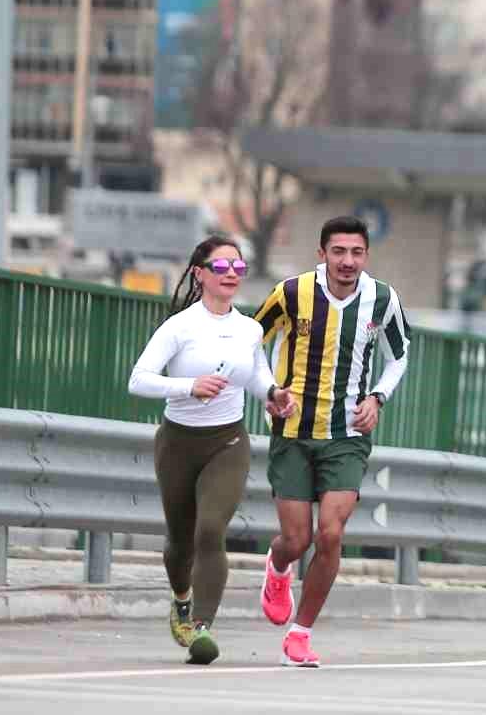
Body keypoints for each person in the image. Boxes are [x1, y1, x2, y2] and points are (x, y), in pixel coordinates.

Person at [252, 215, 413, 668]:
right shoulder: (291, 292)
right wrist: (268, 390)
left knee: (331, 533)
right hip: (293, 433)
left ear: (366, 255)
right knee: (295, 538)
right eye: (338, 252)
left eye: (356, 252)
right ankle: (278, 566)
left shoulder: (383, 299)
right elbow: (251, 341)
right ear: (321, 254)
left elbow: (399, 357)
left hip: (347, 436)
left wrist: (378, 397)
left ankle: (300, 634)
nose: (348, 261)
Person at [128, 235, 297, 665]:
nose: (231, 276)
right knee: (180, 544)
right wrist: (189, 387)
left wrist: (274, 394)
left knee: (210, 530)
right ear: (200, 274)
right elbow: (139, 379)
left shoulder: (249, 329)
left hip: (228, 442)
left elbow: (257, 377)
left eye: (238, 269)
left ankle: (201, 626)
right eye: (221, 268)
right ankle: (182, 601)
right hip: (178, 443)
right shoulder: (180, 327)